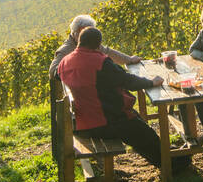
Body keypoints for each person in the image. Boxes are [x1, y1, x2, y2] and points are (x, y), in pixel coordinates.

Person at [56, 27, 185, 171]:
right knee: (142, 133)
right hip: (105, 121)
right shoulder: (99, 62)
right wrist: (151, 82)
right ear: (99, 45)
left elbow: (57, 75)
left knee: (138, 122)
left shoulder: (65, 62)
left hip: (82, 123)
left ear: (79, 42)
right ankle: (173, 164)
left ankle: (167, 153)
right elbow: (127, 81)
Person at [49, 14, 142, 145]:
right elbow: (53, 71)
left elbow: (107, 52)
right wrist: (76, 69)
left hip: (87, 108)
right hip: (88, 112)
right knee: (125, 116)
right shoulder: (66, 50)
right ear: (77, 32)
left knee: (129, 114)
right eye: (86, 30)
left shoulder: (88, 43)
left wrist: (129, 59)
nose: (89, 33)